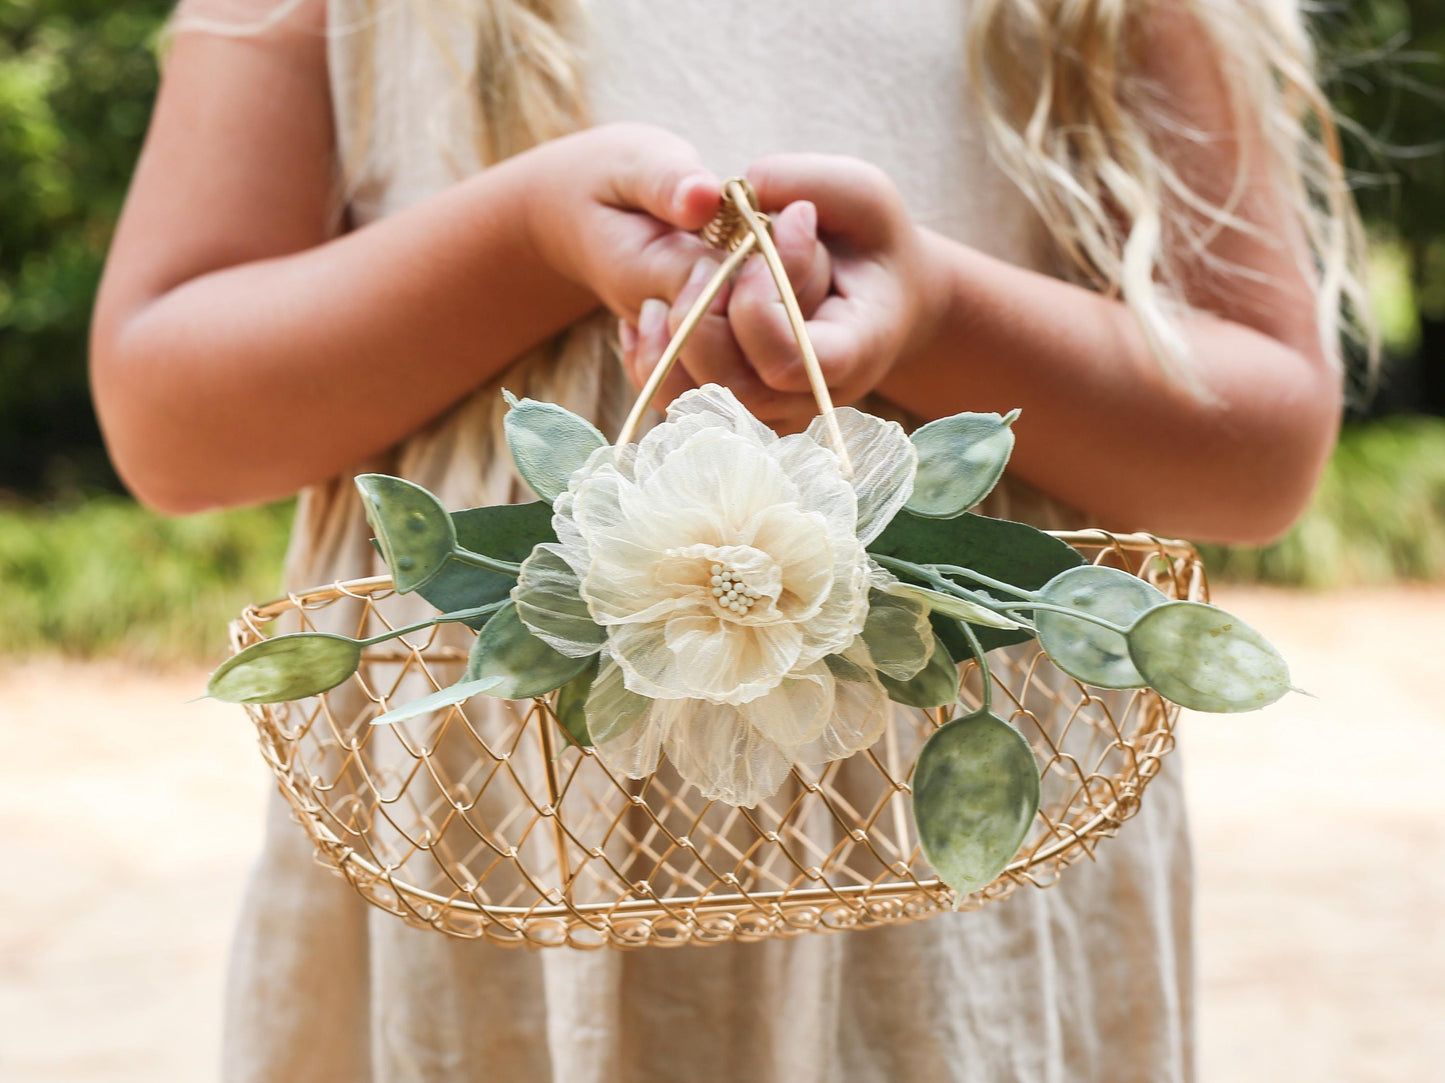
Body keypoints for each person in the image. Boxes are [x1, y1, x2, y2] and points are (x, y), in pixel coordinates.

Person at [90, 1, 1367, 1080]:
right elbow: (172, 422)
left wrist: (938, 317)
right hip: (490, 876)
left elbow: (1259, 452)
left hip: (956, 878)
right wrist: (530, 238)